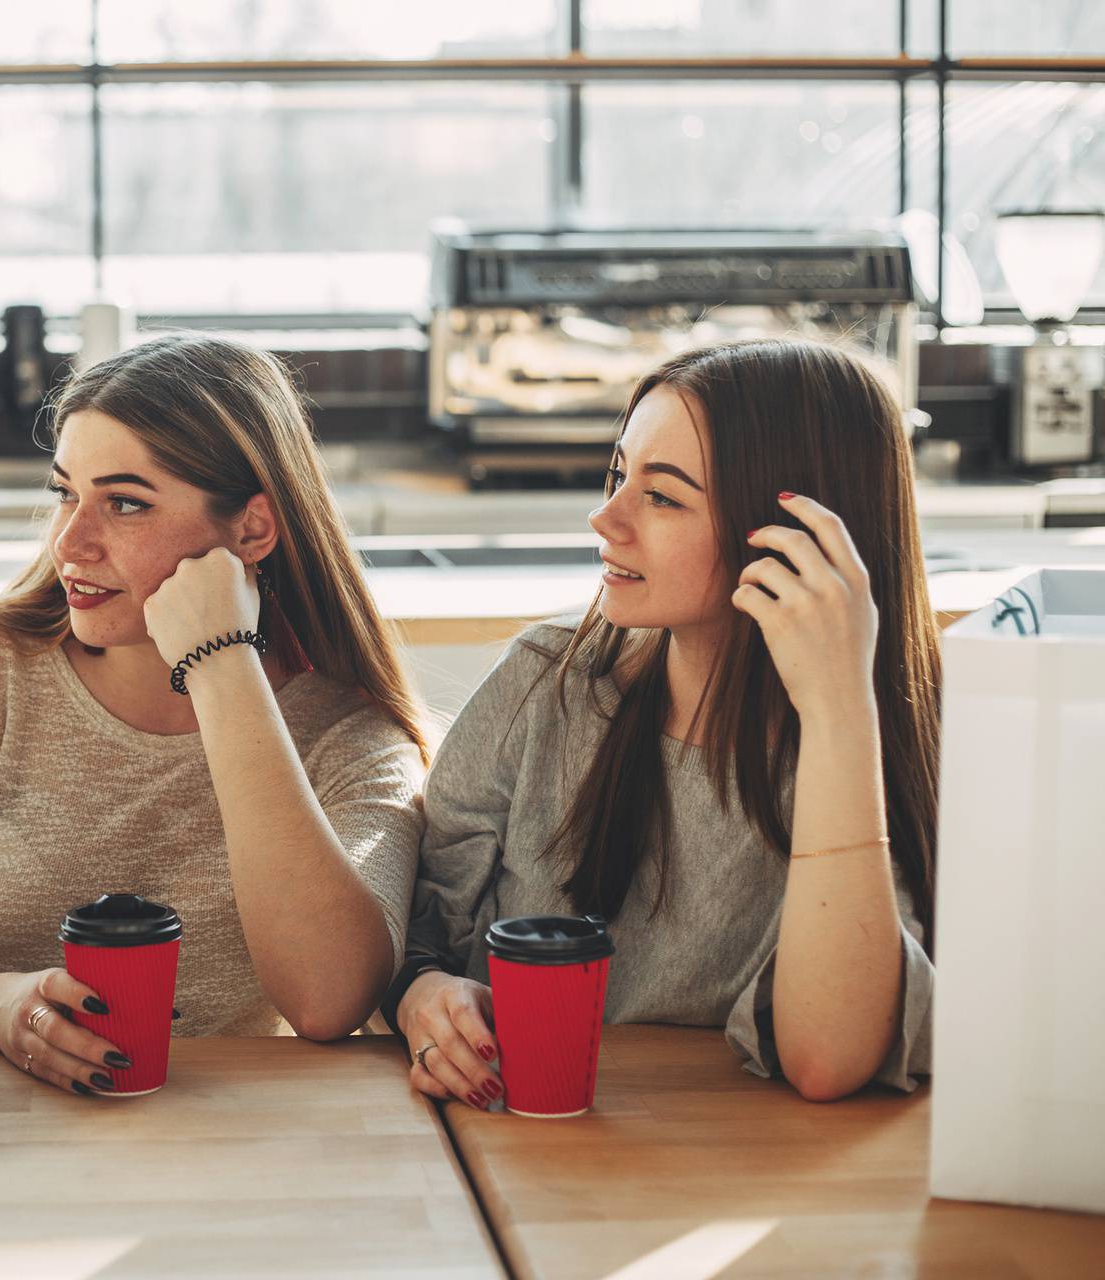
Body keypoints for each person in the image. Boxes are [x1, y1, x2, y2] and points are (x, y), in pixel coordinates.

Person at [0, 333, 427, 1095]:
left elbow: (328, 1001)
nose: (70, 542)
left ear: (252, 530)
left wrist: (222, 664)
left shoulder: (350, 734)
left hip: (232, 1154)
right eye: (65, 493)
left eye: (125, 503)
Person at [391, 338, 937, 1107]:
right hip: (533, 1161)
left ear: (793, 544)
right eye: (619, 474)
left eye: (664, 495)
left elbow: (828, 1060)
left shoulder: (874, 750)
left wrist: (840, 708)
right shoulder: (547, 683)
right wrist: (424, 995)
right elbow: (415, 935)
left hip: (757, 1180)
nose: (605, 517)